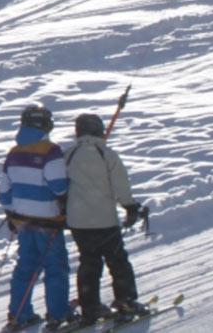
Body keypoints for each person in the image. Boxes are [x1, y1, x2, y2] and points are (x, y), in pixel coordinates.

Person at [63, 113, 151, 326]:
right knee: (117, 261)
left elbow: (61, 186)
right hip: (104, 220)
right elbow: (120, 185)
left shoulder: (68, 155)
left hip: (79, 223)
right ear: (99, 130)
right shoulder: (106, 154)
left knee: (88, 263)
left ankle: (90, 307)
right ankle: (125, 301)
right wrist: (129, 207)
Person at [0, 105, 71, 330]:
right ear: (45, 125)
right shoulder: (50, 151)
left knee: (26, 268)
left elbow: (3, 193)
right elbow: (59, 186)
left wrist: (14, 211)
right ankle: (58, 315)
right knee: (55, 268)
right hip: (48, 221)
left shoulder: (14, 153)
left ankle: (19, 315)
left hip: (23, 222)